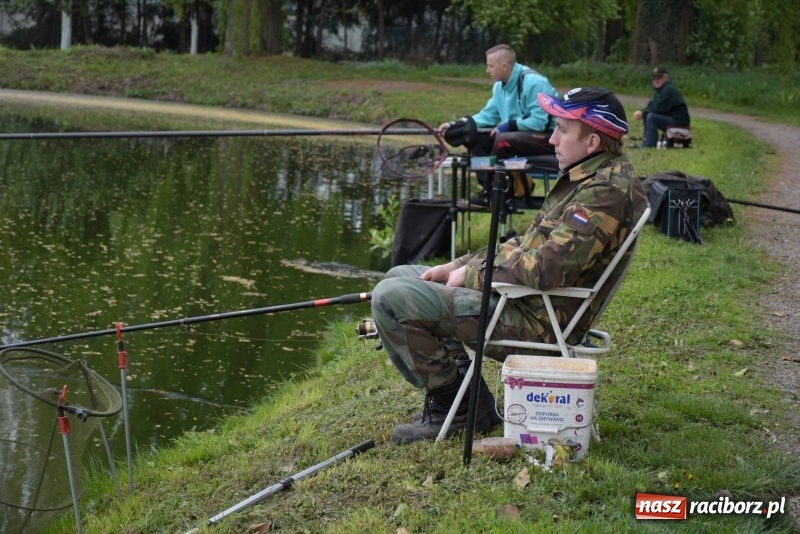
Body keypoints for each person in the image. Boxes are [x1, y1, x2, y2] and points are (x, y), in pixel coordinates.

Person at [372, 87, 648, 445]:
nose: (551, 139)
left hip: (536, 323)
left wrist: (471, 275)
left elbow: (547, 268)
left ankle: (451, 408)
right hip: (522, 302)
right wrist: (459, 263)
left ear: (593, 141)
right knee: (401, 275)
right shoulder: (587, 178)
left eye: (562, 130)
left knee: (391, 297)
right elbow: (526, 244)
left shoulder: (604, 192)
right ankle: (469, 402)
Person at [438, 44, 559, 205]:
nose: (487, 70)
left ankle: (494, 193)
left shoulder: (534, 83)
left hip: (550, 138)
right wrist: (457, 124)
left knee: (503, 140)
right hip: (519, 137)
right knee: (477, 137)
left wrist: (508, 125)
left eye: (490, 66)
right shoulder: (498, 87)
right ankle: (495, 189)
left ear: (504, 66)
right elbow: (486, 116)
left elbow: (539, 123)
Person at [633, 66, 690, 148]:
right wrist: (643, 112)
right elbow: (651, 104)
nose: (656, 80)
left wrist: (642, 112)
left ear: (666, 78)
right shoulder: (660, 90)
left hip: (680, 125)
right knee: (648, 115)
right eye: (654, 78)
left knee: (651, 117)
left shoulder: (668, 90)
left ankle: (649, 145)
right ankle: (646, 142)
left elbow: (659, 108)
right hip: (673, 120)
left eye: (659, 77)